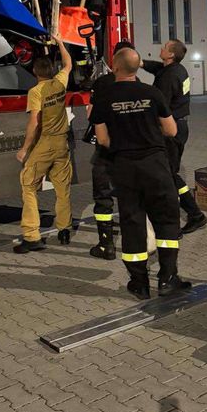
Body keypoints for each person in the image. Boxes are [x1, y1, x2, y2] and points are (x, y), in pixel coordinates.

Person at [91, 47, 191, 299]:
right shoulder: (152, 92)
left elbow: (102, 139)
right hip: (156, 166)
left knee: (132, 221)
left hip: (125, 168)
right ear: (137, 68)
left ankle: (139, 283)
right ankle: (168, 278)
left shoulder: (104, 98)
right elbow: (170, 131)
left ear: (115, 67)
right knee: (167, 220)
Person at [141, 39, 207, 234]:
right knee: (169, 174)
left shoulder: (168, 78)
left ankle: (194, 214)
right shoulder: (177, 70)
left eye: (164, 47)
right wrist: (141, 63)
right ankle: (192, 214)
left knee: (168, 175)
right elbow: (158, 68)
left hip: (170, 130)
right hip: (180, 127)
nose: (160, 49)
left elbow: (159, 106)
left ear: (170, 55)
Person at [15, 34, 73, 253]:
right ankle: (64, 230)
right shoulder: (59, 83)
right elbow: (68, 64)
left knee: (28, 184)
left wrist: (24, 149)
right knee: (62, 189)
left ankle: (31, 236)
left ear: (34, 73)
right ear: (50, 71)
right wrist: (60, 42)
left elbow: (34, 122)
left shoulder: (36, 92)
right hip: (62, 144)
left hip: (45, 143)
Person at [86, 39, 136, 260]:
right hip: (131, 151)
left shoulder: (102, 83)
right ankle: (133, 240)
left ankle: (106, 245)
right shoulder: (140, 85)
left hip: (106, 152)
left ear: (114, 61)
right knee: (128, 196)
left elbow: (91, 115)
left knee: (103, 198)